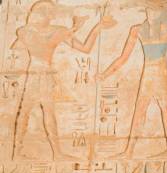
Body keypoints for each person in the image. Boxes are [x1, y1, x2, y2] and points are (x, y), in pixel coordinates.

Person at [11, 0, 116, 160]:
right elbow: (17, 50)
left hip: (39, 74)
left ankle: (22, 152)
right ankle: (26, 152)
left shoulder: (38, 32)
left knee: (33, 113)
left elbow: (85, 48)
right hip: (40, 74)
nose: (50, 16)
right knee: (34, 113)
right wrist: (76, 29)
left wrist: (95, 29)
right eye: (47, 13)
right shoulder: (34, 32)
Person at [97, 0, 167, 158]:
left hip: (161, 72)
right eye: (149, 9)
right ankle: (129, 151)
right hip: (148, 73)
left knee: (166, 109)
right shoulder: (136, 29)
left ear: (162, 10)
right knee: (139, 110)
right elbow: (123, 57)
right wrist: (105, 74)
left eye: (155, 9)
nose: (151, 13)